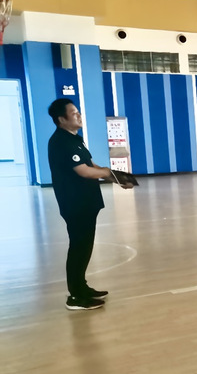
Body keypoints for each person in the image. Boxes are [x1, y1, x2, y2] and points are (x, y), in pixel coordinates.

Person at [47, 98, 133, 310]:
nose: (79, 115)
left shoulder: (75, 139)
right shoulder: (61, 142)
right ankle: (76, 297)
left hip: (86, 202)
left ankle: (81, 287)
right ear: (61, 119)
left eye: (78, 112)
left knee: (84, 247)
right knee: (79, 248)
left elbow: (91, 164)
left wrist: (116, 178)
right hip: (75, 203)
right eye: (73, 113)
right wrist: (110, 173)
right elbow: (84, 171)